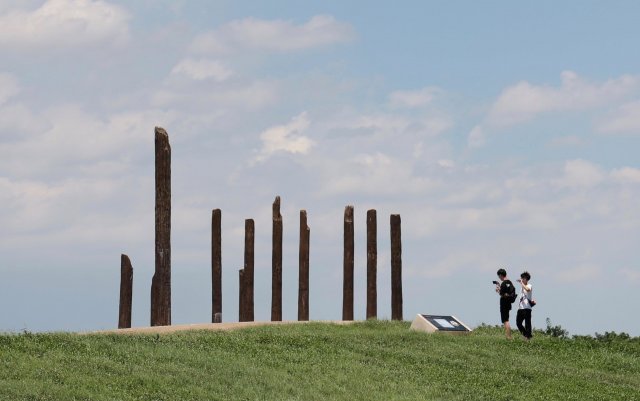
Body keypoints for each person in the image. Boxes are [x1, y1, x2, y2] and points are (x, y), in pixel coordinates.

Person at [495, 268, 514, 339]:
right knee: (507, 319)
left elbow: (502, 294)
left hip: (504, 304)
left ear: (500, 275)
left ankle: (508, 337)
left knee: (505, 321)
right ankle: (509, 336)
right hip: (509, 303)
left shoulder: (503, 283)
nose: (499, 277)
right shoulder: (510, 282)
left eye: (498, 276)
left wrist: (498, 290)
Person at [516, 271, 533, 340]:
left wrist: (521, 283)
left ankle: (528, 338)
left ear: (526, 279)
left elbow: (528, 290)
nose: (522, 279)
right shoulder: (521, 288)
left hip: (527, 308)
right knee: (518, 323)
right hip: (521, 308)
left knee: (527, 324)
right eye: (521, 278)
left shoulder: (529, 285)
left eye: (523, 278)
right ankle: (526, 335)